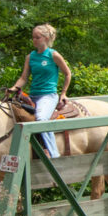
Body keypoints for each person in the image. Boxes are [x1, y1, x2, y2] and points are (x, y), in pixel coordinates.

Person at [11, 23, 72, 158]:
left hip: (48, 96)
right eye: (33, 37)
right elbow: (23, 78)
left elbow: (68, 73)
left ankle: (53, 154)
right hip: (33, 96)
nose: (34, 40)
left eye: (37, 37)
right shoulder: (30, 57)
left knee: (41, 119)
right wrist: (13, 88)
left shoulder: (53, 55)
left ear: (45, 38)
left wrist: (63, 93)